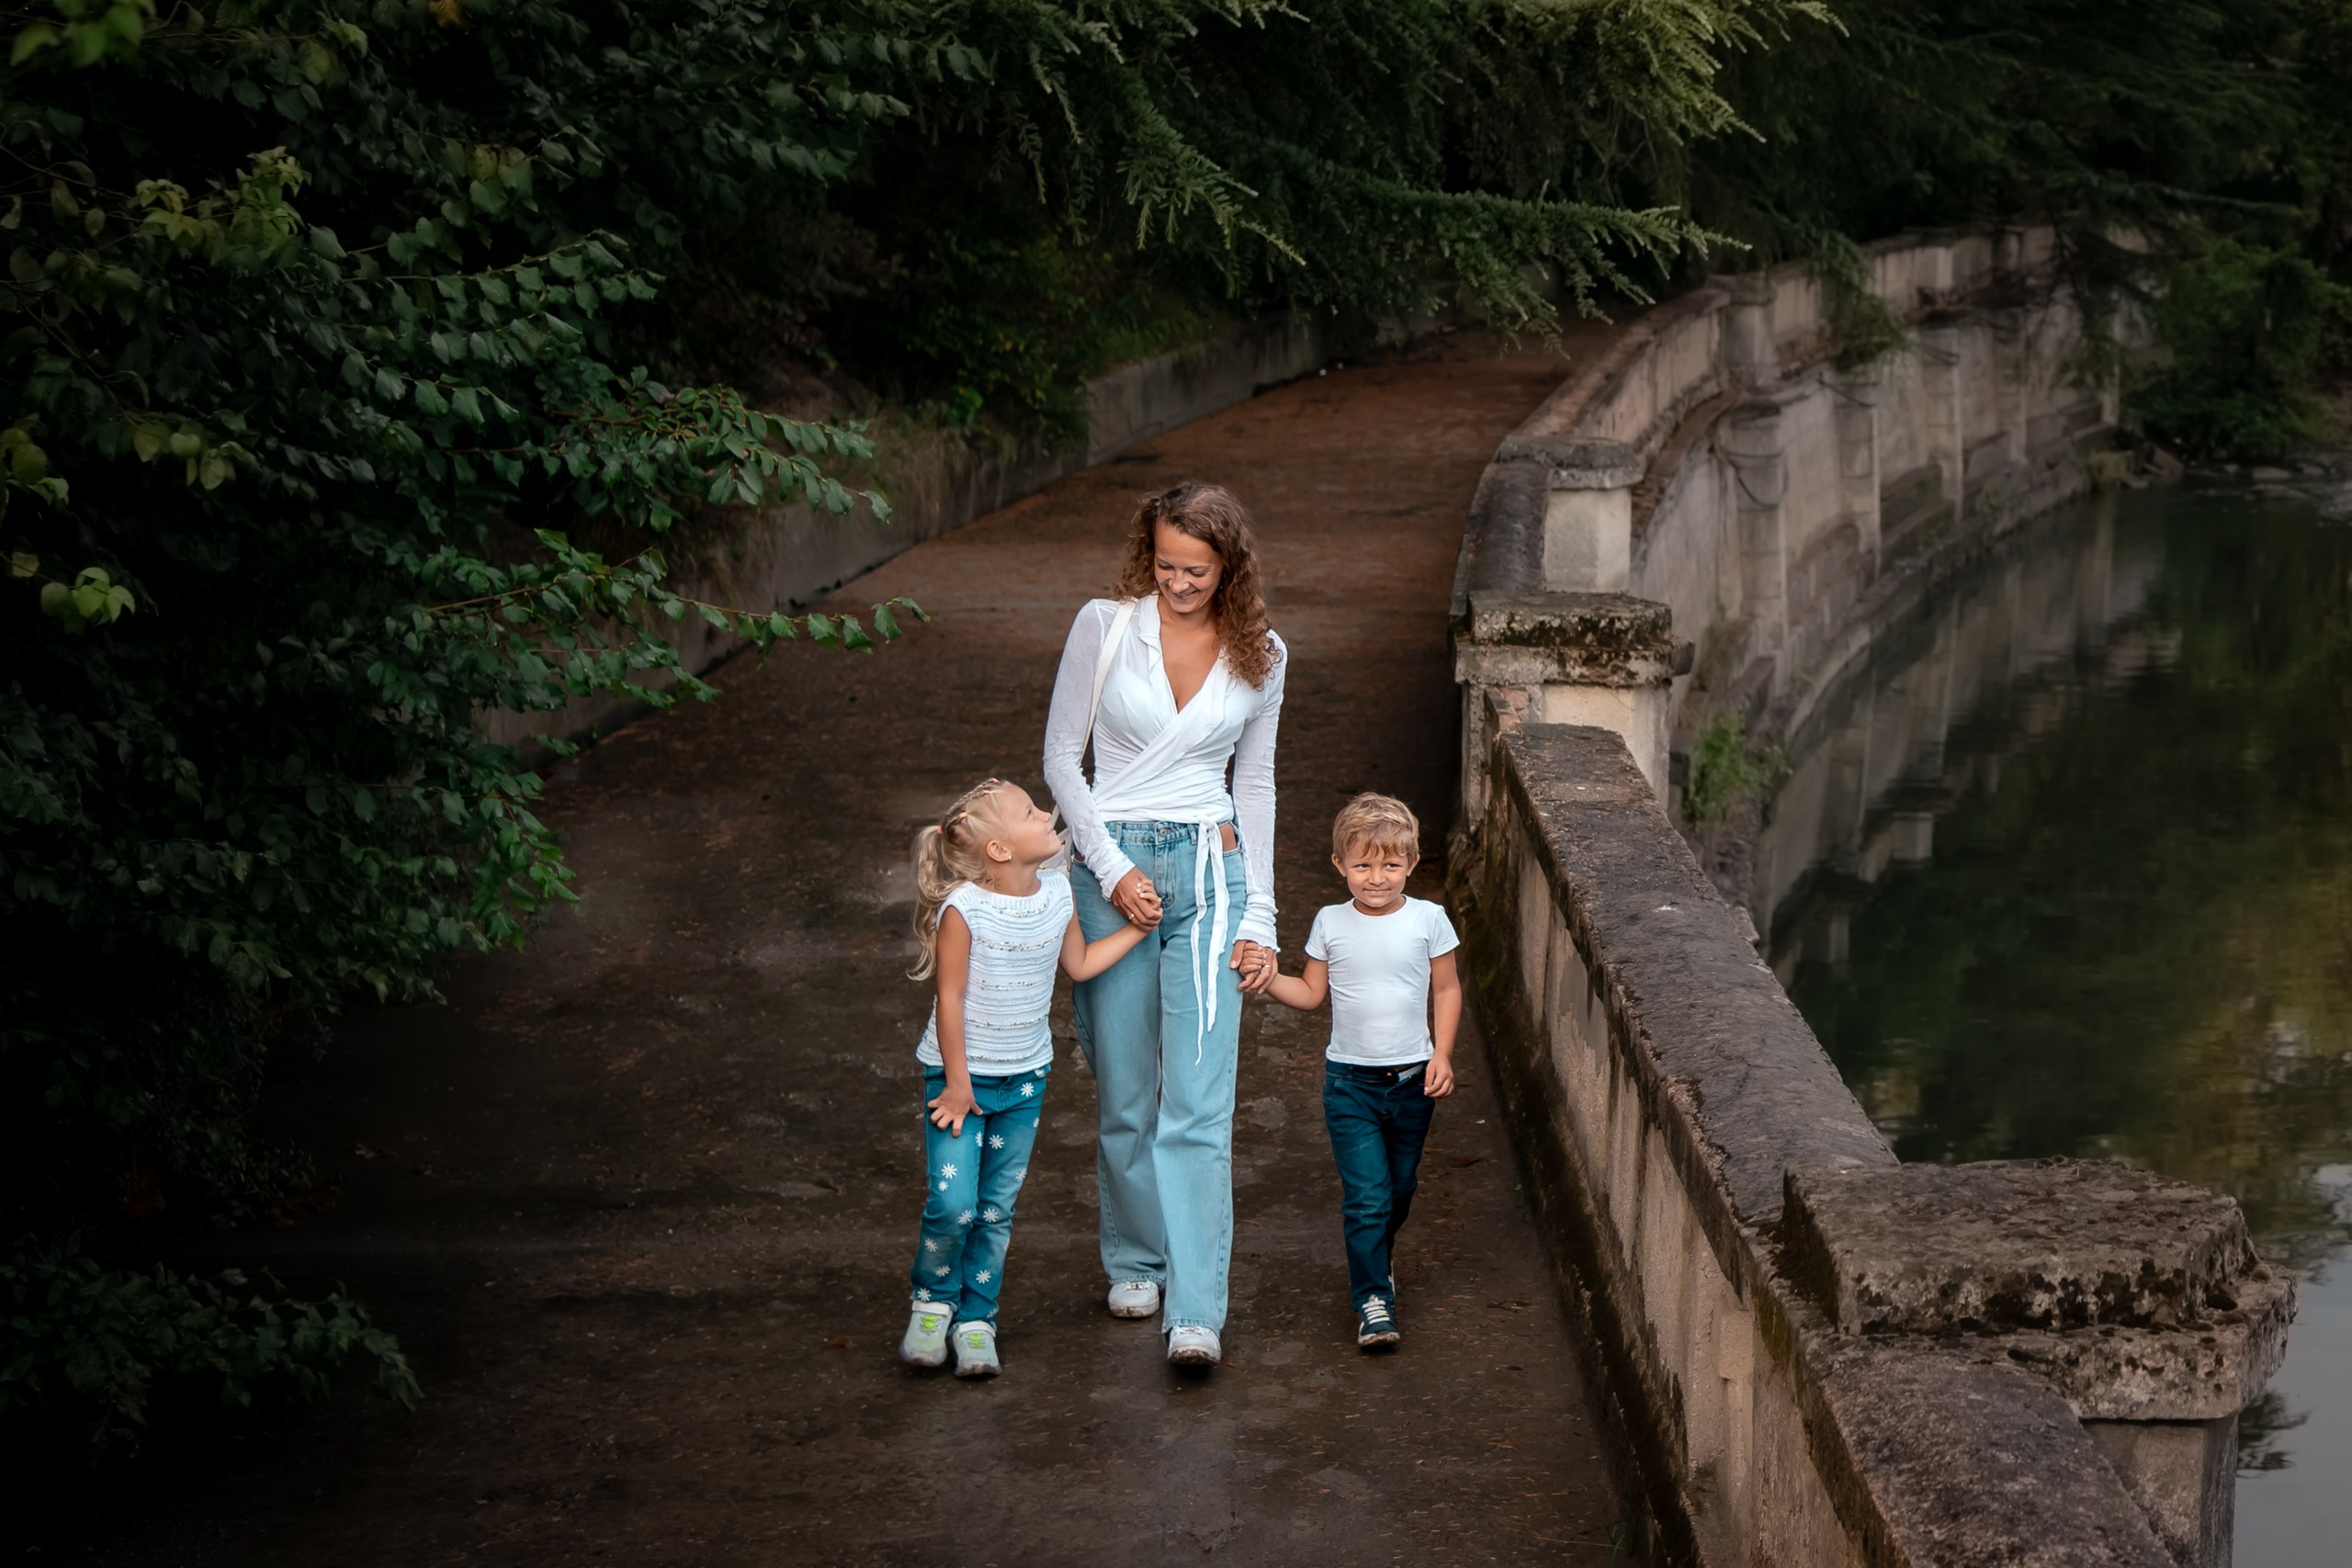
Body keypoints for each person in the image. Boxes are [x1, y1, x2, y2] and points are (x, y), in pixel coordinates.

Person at [1043, 481, 1285, 1369]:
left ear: (1229, 567)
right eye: (1166, 564)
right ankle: (1134, 1257)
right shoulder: (1104, 627)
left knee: (1198, 1097)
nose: (1179, 583)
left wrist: (1260, 912)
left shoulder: (1264, 652)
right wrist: (1111, 867)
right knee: (1124, 1088)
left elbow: (1253, 785)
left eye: (1197, 569)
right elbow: (1060, 759)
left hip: (1213, 871)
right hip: (1113, 869)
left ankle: (1196, 1309)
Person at [898, 778, 1149, 1378]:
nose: (1048, 813)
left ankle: (978, 1317)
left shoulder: (1058, 893)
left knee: (994, 1209)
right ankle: (932, 1302)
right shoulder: (966, 908)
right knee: (953, 1203)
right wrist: (956, 1082)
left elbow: (1080, 963)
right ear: (1000, 850)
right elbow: (950, 997)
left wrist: (1138, 929)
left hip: (1024, 1080)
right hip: (959, 1082)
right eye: (1032, 811)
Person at [1252, 793, 1461, 1351]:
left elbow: (1446, 987)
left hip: (1414, 1079)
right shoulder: (1330, 922)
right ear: (1339, 864)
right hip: (1350, 1084)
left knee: (1399, 1188)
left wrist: (1441, 1053)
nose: (1376, 878)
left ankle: (1377, 1256)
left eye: (1391, 865)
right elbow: (1310, 993)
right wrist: (1270, 977)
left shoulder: (1428, 919)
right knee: (1367, 1197)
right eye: (1363, 865)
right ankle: (1373, 1297)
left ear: (1412, 864)